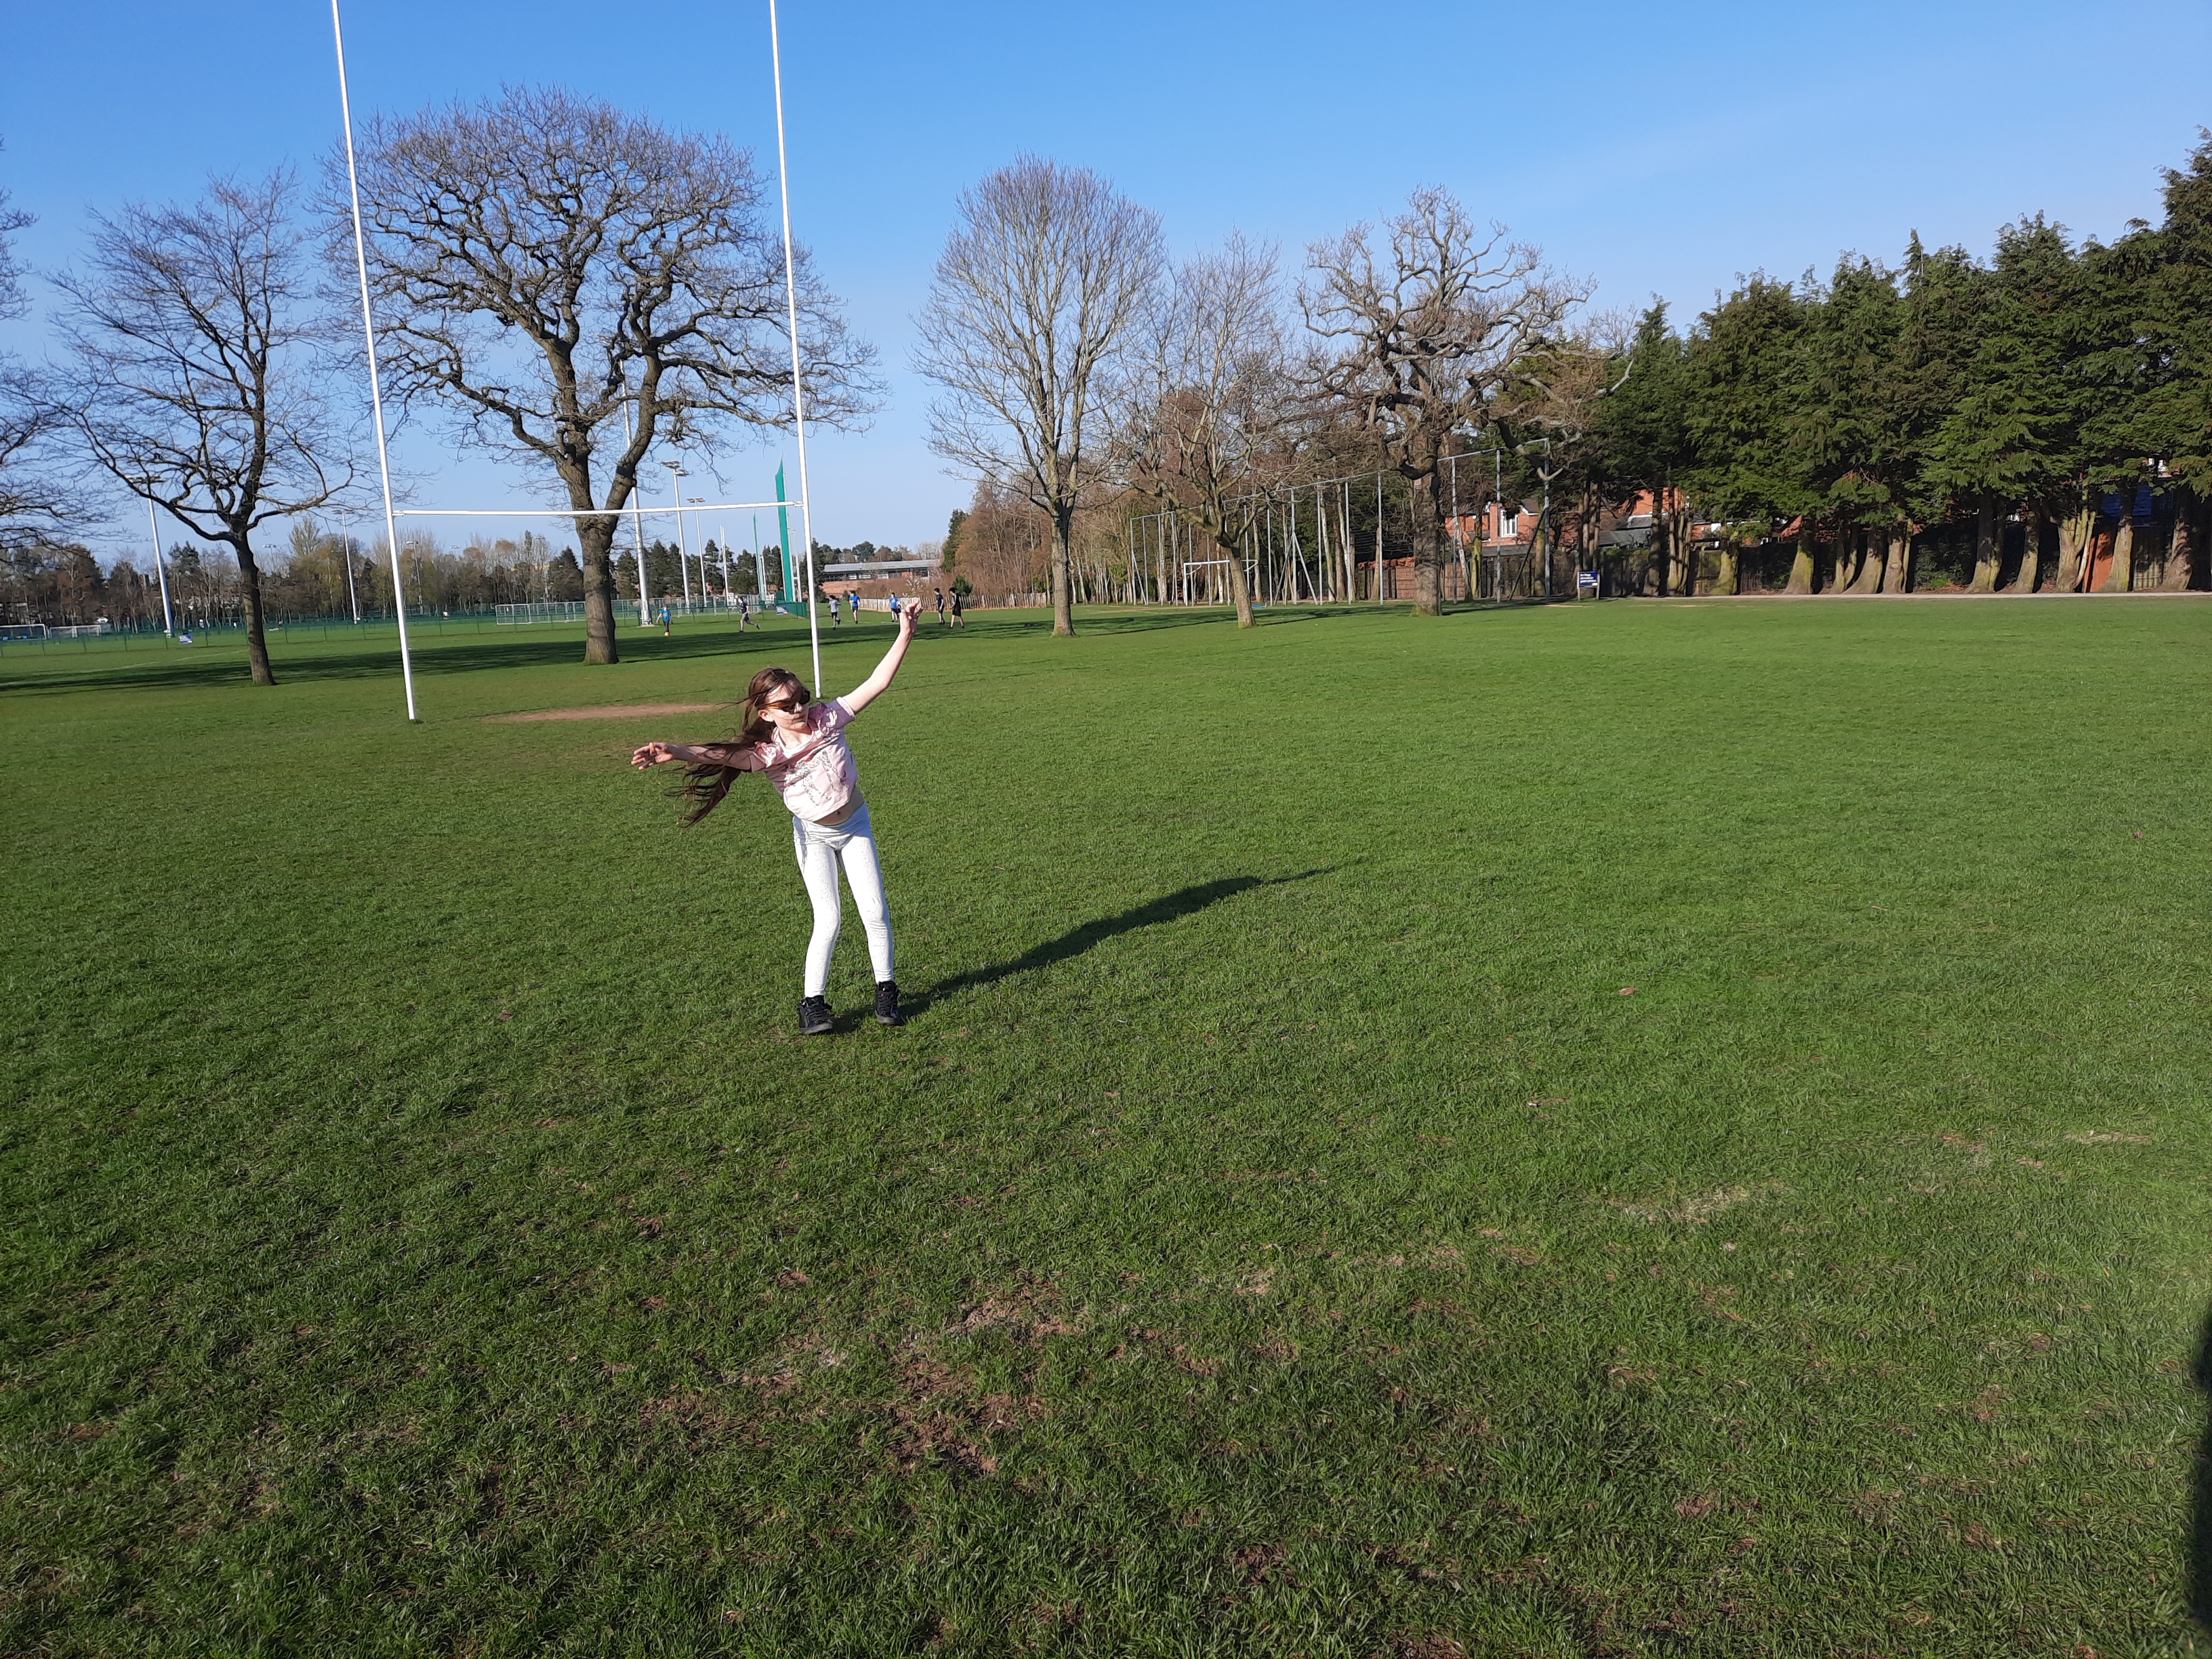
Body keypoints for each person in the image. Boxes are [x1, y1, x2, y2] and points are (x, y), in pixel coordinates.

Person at [632, 600, 919, 1036]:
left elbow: (878, 682)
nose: (799, 708)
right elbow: (721, 754)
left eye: (802, 697)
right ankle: (813, 1004)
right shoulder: (767, 754)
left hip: (855, 826)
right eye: (787, 705)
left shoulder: (829, 719)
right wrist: (675, 750)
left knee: (876, 912)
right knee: (829, 920)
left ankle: (886, 991)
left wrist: (905, 633)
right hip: (814, 837)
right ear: (766, 713)